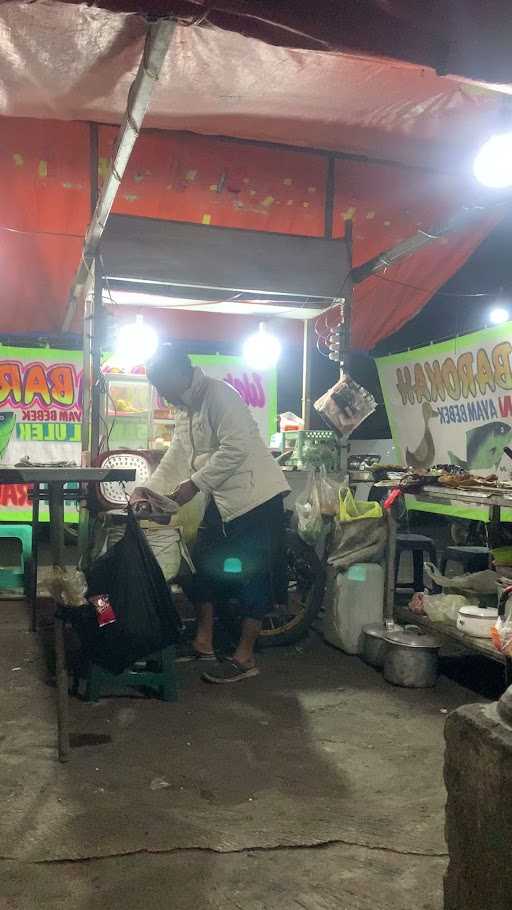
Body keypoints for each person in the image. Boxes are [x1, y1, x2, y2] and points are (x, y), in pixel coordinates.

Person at [130, 344, 290, 683]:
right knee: (200, 564)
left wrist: (195, 484)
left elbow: (237, 447)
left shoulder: (219, 395)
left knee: (251, 576)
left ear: (177, 373)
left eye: (161, 385)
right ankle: (203, 642)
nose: (160, 393)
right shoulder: (186, 408)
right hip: (222, 503)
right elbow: (178, 454)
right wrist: (149, 489)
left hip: (255, 499)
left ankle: (244, 658)